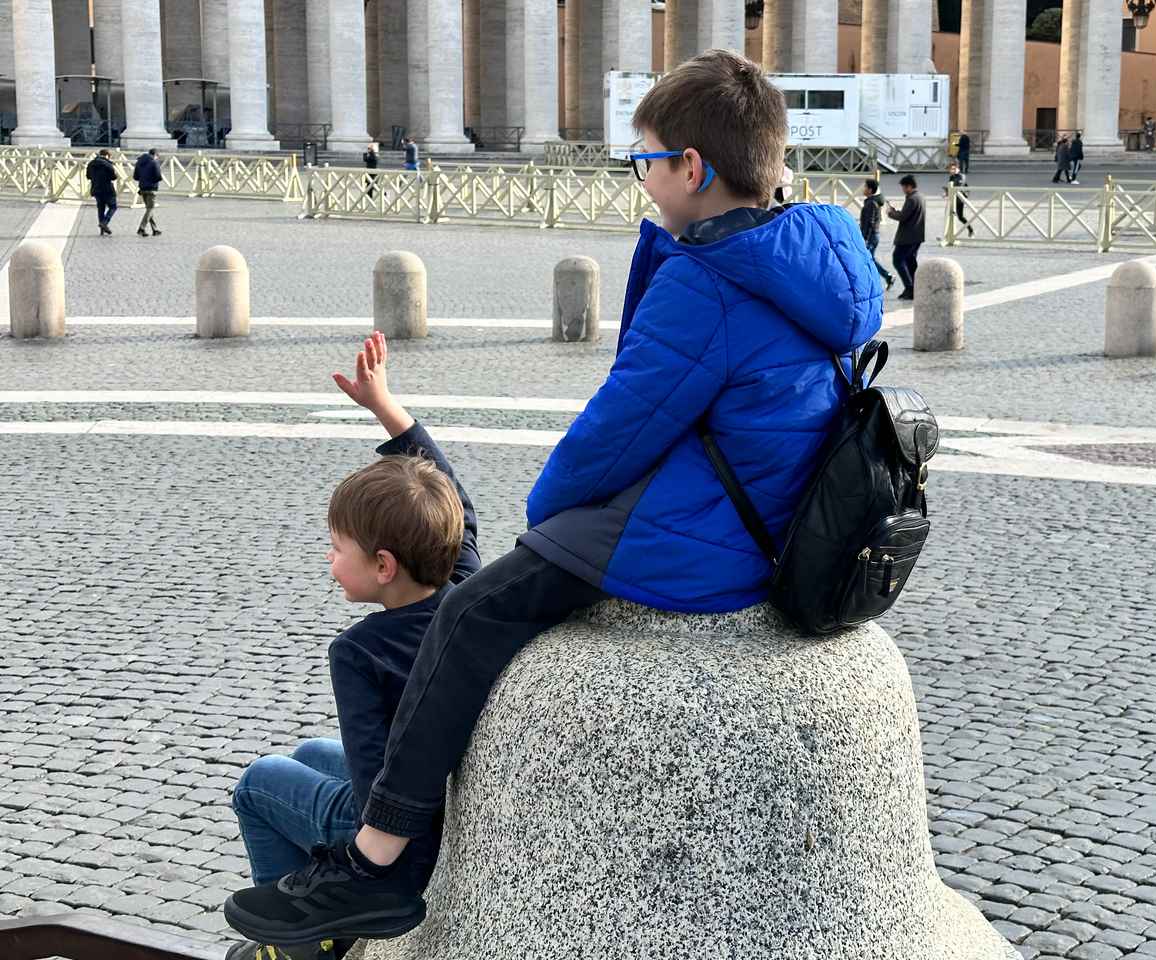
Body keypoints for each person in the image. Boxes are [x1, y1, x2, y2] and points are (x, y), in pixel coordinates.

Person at [222, 49, 884, 948]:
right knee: (481, 600)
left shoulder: (709, 281)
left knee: (473, 613)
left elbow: (619, 426)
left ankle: (376, 864)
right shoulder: (812, 251)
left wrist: (550, 511)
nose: (641, 179)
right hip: (773, 524)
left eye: (645, 160)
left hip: (708, 549)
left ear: (693, 168)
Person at [224, 332, 480, 960]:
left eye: (339, 549)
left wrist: (365, 859)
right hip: (447, 792)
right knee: (311, 749)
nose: (330, 559)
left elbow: (375, 791)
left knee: (259, 782)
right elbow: (455, 501)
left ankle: (297, 942)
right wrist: (386, 408)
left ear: (384, 565)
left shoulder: (361, 653)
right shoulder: (464, 587)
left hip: (398, 831)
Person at [886, 173, 924, 300]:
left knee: (898, 260)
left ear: (908, 186)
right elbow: (908, 214)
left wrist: (891, 213)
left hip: (907, 237)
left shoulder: (912, 199)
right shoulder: (920, 197)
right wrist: (898, 211)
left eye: (903, 187)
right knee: (911, 262)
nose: (902, 190)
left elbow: (903, 217)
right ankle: (917, 287)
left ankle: (909, 288)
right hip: (917, 236)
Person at [859, 177, 894, 290]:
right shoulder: (872, 202)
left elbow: (871, 222)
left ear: (870, 190)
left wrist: (865, 238)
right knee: (869, 258)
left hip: (871, 236)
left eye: (865, 187)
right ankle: (885, 276)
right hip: (872, 235)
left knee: (867, 259)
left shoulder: (871, 203)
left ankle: (884, 276)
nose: (863, 189)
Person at [85, 148, 119, 237]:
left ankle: (102, 230)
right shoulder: (108, 165)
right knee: (113, 207)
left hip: (96, 189)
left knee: (101, 208)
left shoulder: (91, 163)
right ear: (107, 155)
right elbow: (114, 177)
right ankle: (104, 223)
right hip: (107, 189)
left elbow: (88, 176)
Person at [133, 147, 163, 237]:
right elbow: (158, 176)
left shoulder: (139, 162)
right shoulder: (154, 162)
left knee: (149, 209)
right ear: (155, 155)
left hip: (142, 188)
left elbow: (135, 176)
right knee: (150, 209)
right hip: (151, 188)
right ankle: (141, 228)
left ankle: (155, 229)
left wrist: (143, 179)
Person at [946, 161, 974, 238]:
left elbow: (957, 186)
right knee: (951, 215)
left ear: (956, 168)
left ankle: (971, 230)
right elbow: (950, 187)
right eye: (949, 169)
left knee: (960, 217)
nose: (950, 171)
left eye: (952, 169)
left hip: (960, 199)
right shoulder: (952, 176)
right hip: (954, 198)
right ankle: (949, 235)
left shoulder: (961, 176)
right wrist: (946, 193)